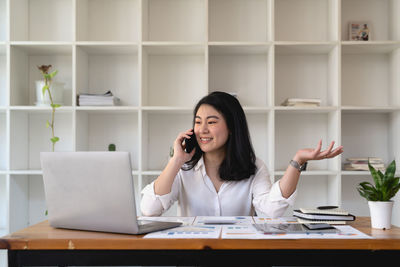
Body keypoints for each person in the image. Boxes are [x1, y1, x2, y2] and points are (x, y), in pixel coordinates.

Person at [140, 92, 343, 217]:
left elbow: (272, 210)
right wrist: (176, 160)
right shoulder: (183, 167)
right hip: (193, 256)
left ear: (231, 128)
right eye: (198, 121)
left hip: (240, 257)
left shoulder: (254, 167)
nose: (202, 129)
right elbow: (149, 209)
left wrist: (297, 161)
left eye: (211, 122)